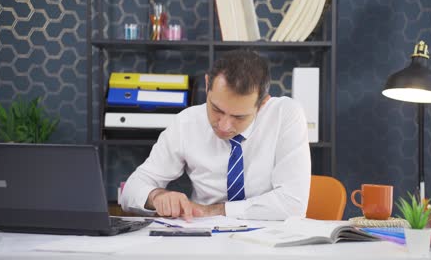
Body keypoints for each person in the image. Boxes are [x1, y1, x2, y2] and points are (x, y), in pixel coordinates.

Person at [121, 50, 311, 221]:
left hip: (270, 240)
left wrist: (212, 211)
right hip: (204, 239)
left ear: (262, 104)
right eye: (216, 109)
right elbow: (131, 189)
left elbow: (293, 205)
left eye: (239, 116)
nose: (224, 125)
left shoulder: (285, 115)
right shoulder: (186, 123)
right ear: (207, 85)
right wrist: (157, 196)